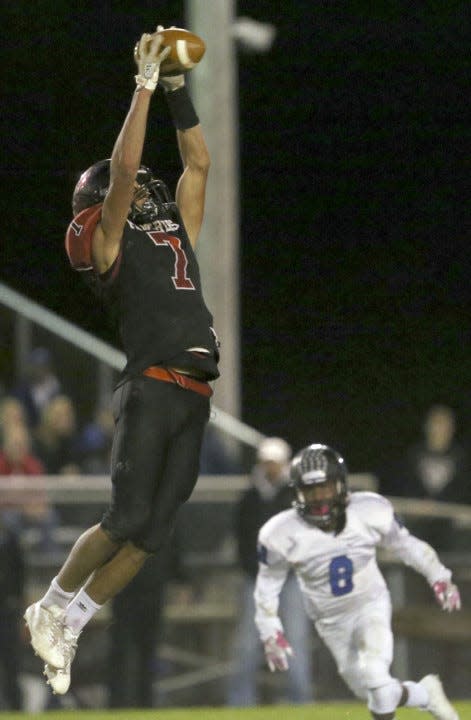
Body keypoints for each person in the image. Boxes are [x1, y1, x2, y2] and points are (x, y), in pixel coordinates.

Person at [24, 26, 219, 697]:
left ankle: (72, 621)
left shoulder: (171, 233)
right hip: (153, 384)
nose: (143, 193)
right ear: (103, 206)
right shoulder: (109, 245)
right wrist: (140, 88)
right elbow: (128, 172)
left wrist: (174, 89)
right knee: (125, 520)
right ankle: (50, 603)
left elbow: (198, 166)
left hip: (195, 389)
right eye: (128, 193)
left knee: (152, 537)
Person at [254, 443, 461, 720]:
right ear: (297, 492)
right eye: (311, 490)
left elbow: (406, 545)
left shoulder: (368, 509)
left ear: (340, 485)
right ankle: (426, 694)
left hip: (369, 604)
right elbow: (268, 584)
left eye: (325, 488)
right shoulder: (280, 533)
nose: (319, 498)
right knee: (374, 691)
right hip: (330, 621)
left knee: (375, 674)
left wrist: (439, 576)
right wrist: (269, 629)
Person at [227, 437, 313, 706]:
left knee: (295, 642)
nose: (270, 468)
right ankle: (240, 704)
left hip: (290, 580)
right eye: (267, 462)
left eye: (274, 463)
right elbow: (241, 537)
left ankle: (300, 701)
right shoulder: (250, 496)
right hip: (257, 581)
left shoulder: (296, 496)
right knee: (246, 645)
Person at [0, 512, 25, 710]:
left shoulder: (9, 535)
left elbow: (20, 571)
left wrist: (17, 604)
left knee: (11, 661)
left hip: (6, 609)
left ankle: (16, 706)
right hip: (8, 607)